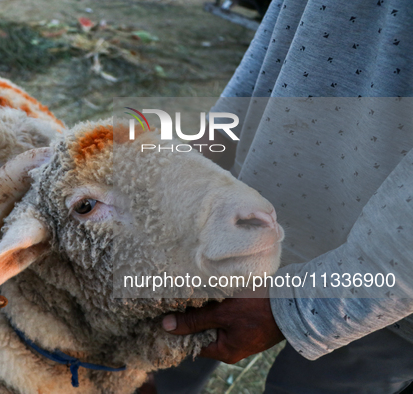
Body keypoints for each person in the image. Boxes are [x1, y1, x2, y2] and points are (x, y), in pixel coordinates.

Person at [149, 0, 413, 393]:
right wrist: (204, 160)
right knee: (148, 367)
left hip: (386, 287)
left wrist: (301, 309)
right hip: (252, 209)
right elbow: (295, 26)